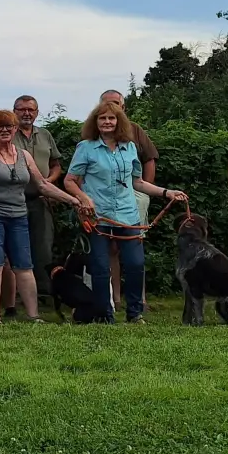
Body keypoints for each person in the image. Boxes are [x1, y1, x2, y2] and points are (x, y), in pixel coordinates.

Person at [64, 100, 187, 324]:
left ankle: (134, 313)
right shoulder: (86, 147)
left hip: (128, 215)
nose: (107, 122)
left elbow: (137, 182)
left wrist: (166, 192)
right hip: (98, 216)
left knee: (135, 263)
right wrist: (84, 198)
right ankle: (104, 315)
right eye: (103, 118)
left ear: (119, 121)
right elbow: (70, 180)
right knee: (100, 267)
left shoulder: (129, 147)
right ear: (96, 122)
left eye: (111, 118)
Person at [0, 109, 87, 324]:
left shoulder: (24, 155)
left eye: (9, 126)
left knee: (24, 265)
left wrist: (73, 200)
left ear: (15, 129)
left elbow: (42, 184)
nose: (4, 130)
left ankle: (34, 315)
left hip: (18, 217)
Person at [99, 89, 160, 310]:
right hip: (104, 201)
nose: (111, 109)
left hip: (133, 195)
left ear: (123, 108)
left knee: (134, 247)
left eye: (116, 104)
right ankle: (114, 297)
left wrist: (144, 192)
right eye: (107, 105)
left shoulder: (135, 131)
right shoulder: (93, 136)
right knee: (109, 249)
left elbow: (149, 159)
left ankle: (139, 299)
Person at [11, 95, 64, 307]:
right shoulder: (8, 134)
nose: (26, 113)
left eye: (30, 110)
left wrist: (47, 182)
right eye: (21, 109)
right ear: (14, 111)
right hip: (15, 199)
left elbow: (56, 165)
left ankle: (44, 294)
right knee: (16, 247)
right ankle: (17, 296)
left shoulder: (45, 135)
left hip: (42, 199)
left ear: (37, 112)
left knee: (43, 247)